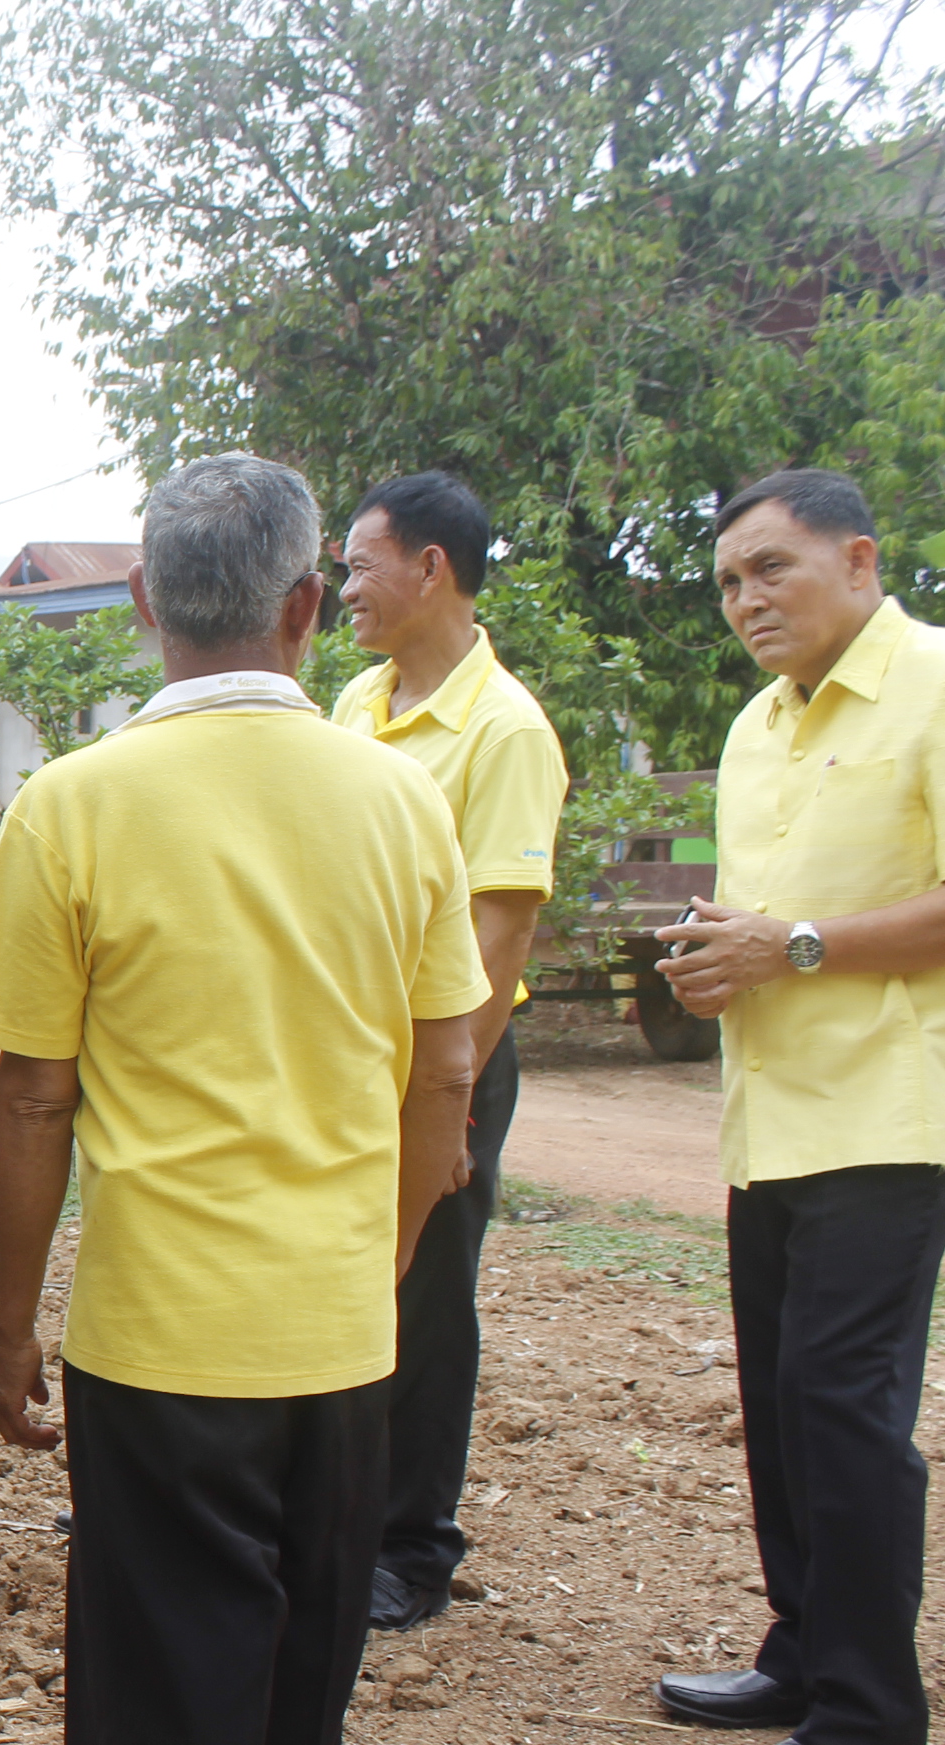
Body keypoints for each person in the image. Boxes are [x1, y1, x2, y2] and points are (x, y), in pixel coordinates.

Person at [0, 453, 484, 1745]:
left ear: (138, 606)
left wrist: (7, 1322)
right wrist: (381, 1260)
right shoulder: (398, 796)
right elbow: (446, 1073)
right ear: (308, 605)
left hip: (165, 1322)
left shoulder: (77, 805)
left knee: (159, 1653)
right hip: (336, 1318)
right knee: (305, 1635)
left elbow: (34, 1089)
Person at [650, 466, 945, 1745]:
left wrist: (798, 946)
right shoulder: (760, 724)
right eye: (726, 582)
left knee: (844, 1410)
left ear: (862, 561)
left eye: (771, 569)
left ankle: (873, 1717)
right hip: (772, 1116)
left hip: (892, 1111)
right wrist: (720, 955)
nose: (746, 601)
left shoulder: (932, 685)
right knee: (780, 1402)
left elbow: (826, 932)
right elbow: (775, 928)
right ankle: (805, 1652)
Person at [330, 473, 572, 1632]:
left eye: (359, 567)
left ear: (432, 569)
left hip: (445, 1060)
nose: (344, 591)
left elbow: (502, 925)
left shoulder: (504, 728)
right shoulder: (354, 705)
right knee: (336, 1276)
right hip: (342, 1055)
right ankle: (320, 1510)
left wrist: (450, 1091)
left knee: (426, 1293)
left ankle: (413, 1546)